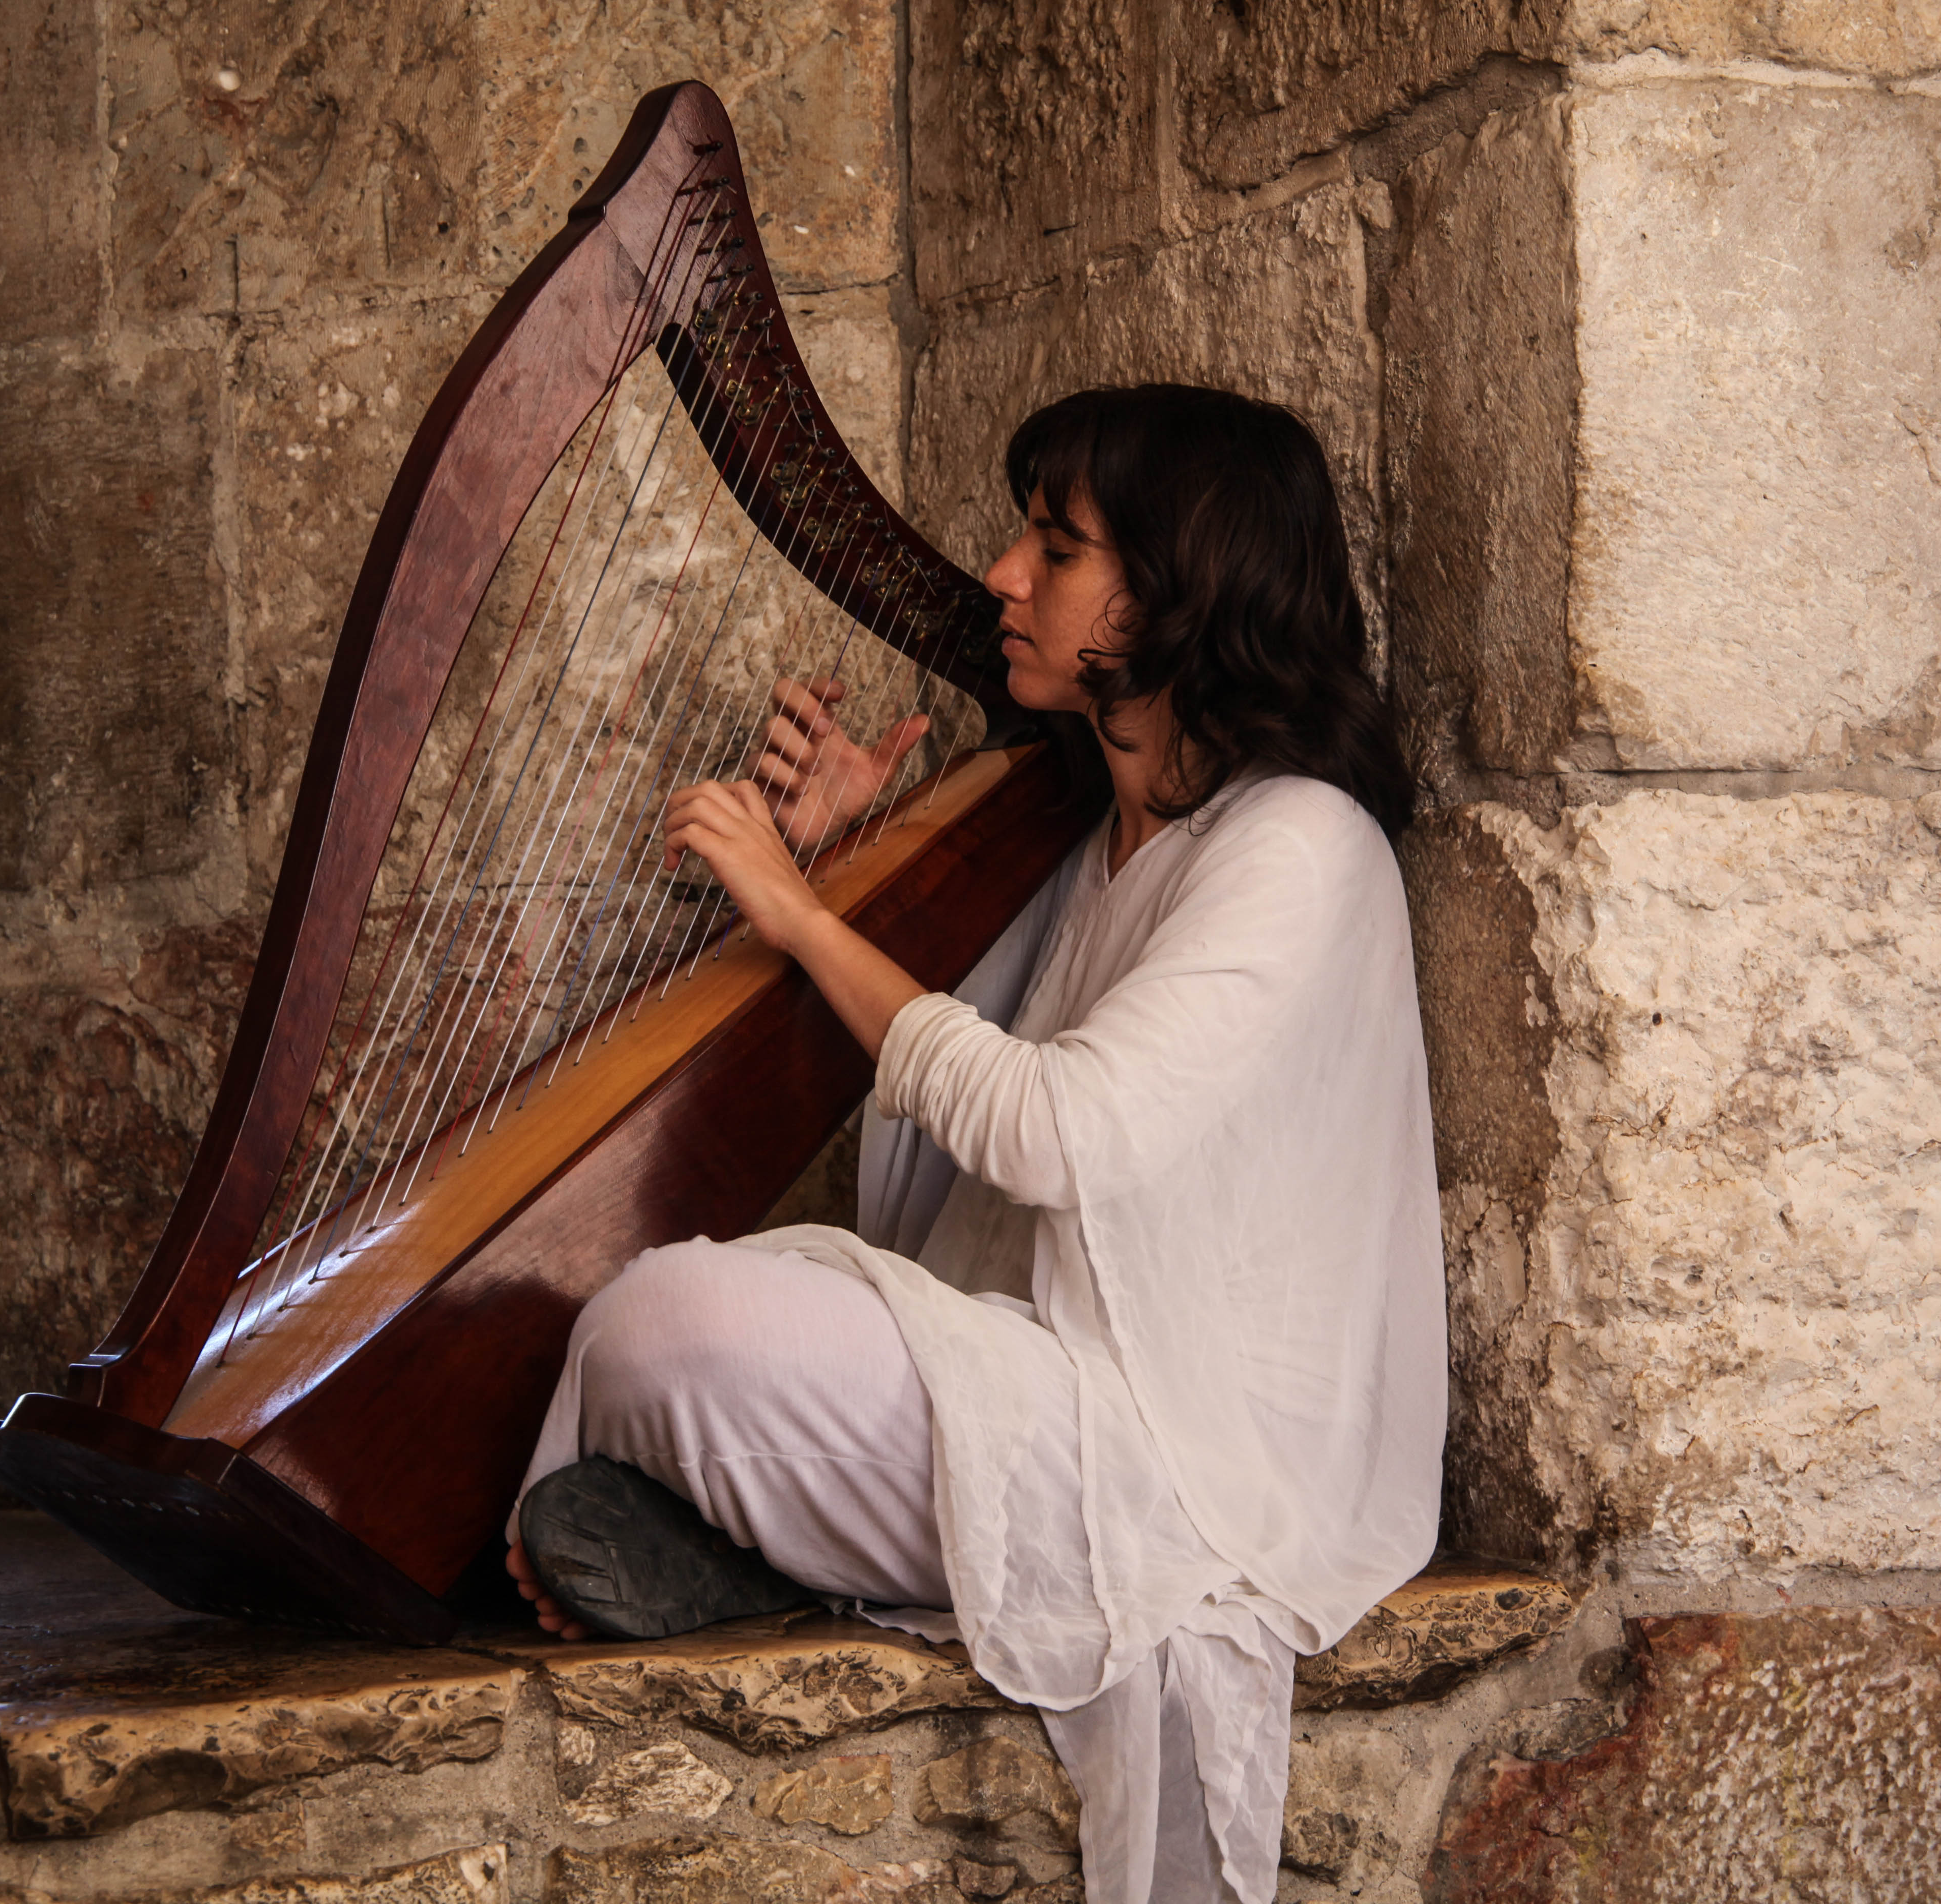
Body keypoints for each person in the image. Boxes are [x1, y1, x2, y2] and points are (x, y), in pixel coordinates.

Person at [501, 383, 1446, 1903]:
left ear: (1178, 588)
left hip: (1183, 1460)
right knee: (644, 1319)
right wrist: (847, 868)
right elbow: (922, 1158)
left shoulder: (1300, 846)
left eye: (1056, 549)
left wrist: (801, 918)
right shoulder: (1090, 848)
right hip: (1032, 1382)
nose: (1004, 576)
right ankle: (747, 1547)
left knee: (669, 1320)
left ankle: (758, 1549)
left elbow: (1053, 1132)